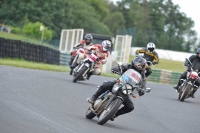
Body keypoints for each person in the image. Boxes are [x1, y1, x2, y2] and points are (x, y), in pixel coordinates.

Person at [87, 56, 149, 121]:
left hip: (126, 90)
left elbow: (143, 83)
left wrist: (142, 90)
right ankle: (94, 98)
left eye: (141, 65)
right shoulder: (128, 66)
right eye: (138, 64)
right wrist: (116, 69)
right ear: (134, 62)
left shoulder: (142, 75)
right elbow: (120, 67)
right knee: (106, 84)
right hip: (119, 83)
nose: (139, 66)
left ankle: (115, 114)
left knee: (130, 107)